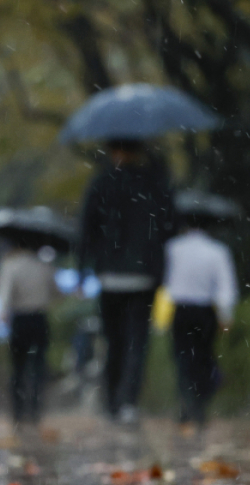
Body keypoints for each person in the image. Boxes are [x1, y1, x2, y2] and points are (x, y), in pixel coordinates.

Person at [78, 140, 175, 424]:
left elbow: (87, 227)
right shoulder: (155, 183)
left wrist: (85, 267)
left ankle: (112, 403)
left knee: (114, 341)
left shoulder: (101, 184)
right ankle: (127, 402)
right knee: (136, 343)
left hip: (109, 275)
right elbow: (168, 225)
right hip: (144, 275)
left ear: (113, 152)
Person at [164, 213, 239, 429]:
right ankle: (197, 403)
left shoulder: (173, 248)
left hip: (181, 310)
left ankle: (188, 402)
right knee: (204, 356)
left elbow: (166, 282)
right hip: (205, 312)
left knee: (182, 358)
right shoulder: (217, 250)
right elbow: (226, 287)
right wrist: (226, 316)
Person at [0, 244, 57, 426]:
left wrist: (3, 312)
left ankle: (18, 410)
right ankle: (35, 410)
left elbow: (5, 296)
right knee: (38, 366)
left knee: (18, 368)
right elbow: (54, 292)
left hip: (20, 320)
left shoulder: (11, 266)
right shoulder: (44, 266)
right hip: (39, 320)